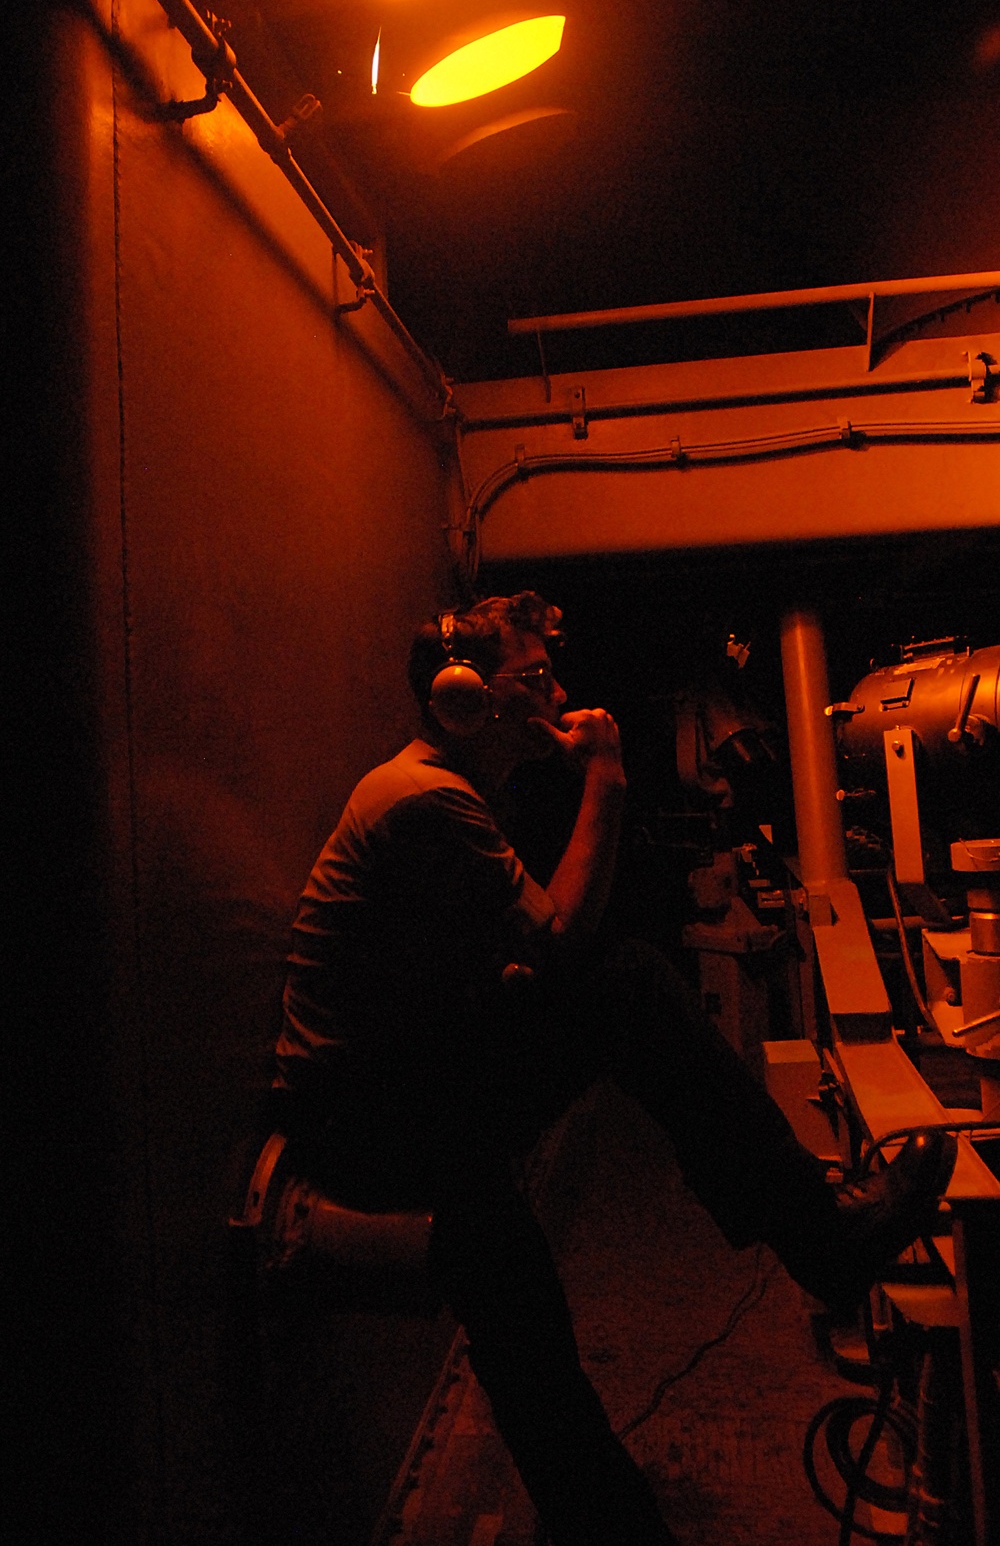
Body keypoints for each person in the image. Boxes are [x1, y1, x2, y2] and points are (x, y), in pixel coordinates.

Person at [271, 591, 956, 1546]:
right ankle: (818, 1237)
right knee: (625, 985)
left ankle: (611, 1522)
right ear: (463, 701)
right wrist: (607, 782)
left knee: (515, 1307)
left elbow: (464, 956)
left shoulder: (447, 794)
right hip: (371, 1116)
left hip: (399, 1086)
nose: (559, 697)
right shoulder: (426, 798)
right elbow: (558, 937)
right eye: (532, 680)